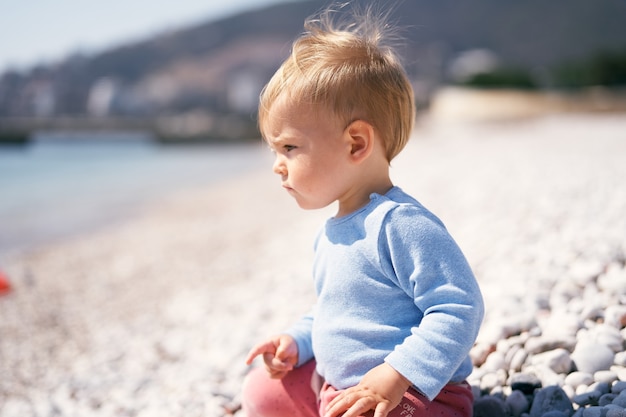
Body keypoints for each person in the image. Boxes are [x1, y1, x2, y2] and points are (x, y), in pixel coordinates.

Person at [241, 4, 484, 417]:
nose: (277, 164)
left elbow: (459, 307)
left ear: (356, 143)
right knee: (263, 389)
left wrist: (394, 374)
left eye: (289, 147)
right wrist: (297, 341)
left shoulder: (401, 224)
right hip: (343, 387)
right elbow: (335, 310)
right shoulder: (331, 231)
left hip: (416, 394)